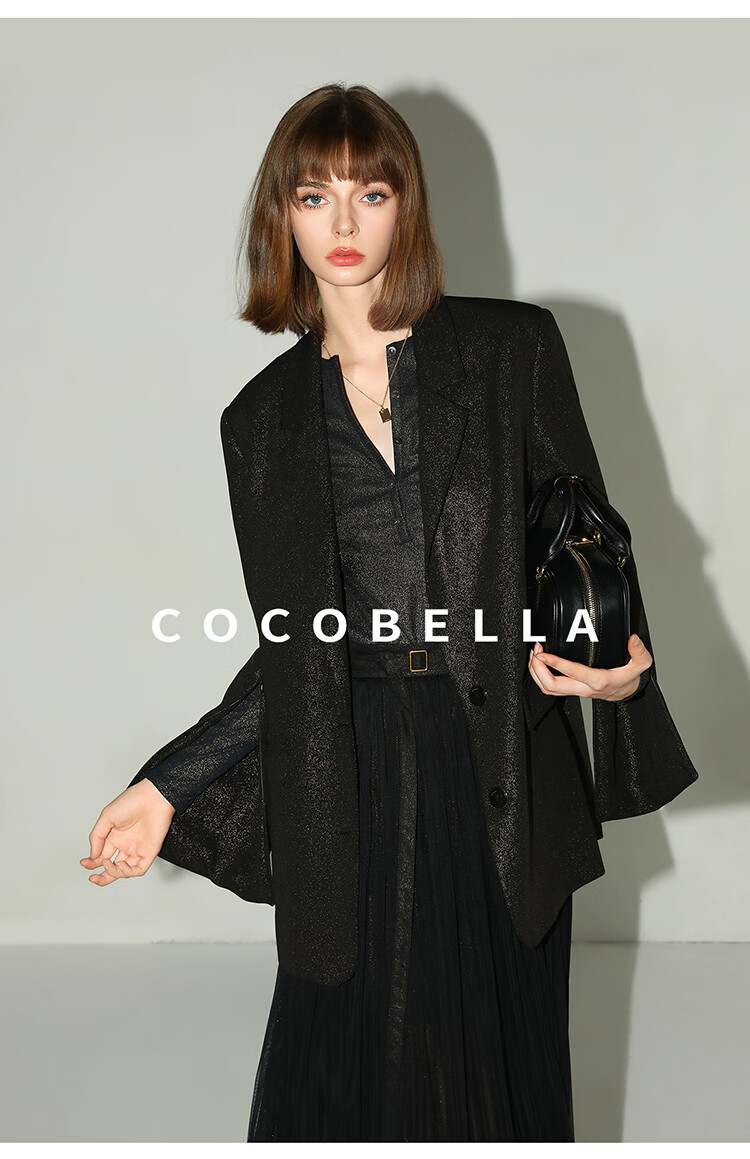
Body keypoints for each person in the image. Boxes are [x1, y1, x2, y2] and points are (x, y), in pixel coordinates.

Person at [81, 83, 698, 1142]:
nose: (345, 222)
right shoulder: (260, 423)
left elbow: (589, 537)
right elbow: (294, 652)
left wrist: (615, 662)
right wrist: (165, 783)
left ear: (406, 206)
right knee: (347, 1065)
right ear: (282, 217)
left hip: (496, 757)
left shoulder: (510, 350)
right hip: (348, 766)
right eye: (314, 196)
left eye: (371, 193)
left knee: (498, 1063)